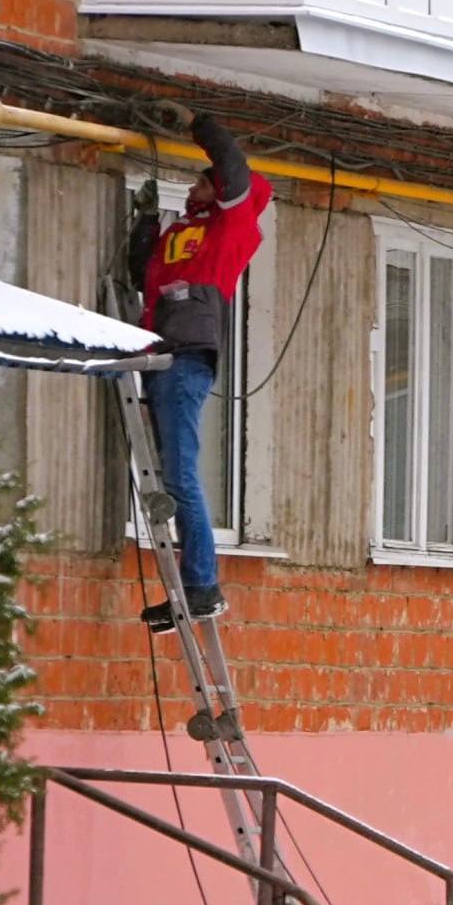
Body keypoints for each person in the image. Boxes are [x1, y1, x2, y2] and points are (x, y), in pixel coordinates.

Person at [128, 104, 273, 634]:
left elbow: (234, 170)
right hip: (158, 352)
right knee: (170, 474)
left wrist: (199, 123)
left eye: (201, 183)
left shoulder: (233, 226)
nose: (193, 188)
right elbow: (148, 282)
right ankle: (189, 589)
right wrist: (144, 229)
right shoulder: (182, 231)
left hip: (186, 358)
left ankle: (203, 587)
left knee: (182, 476)